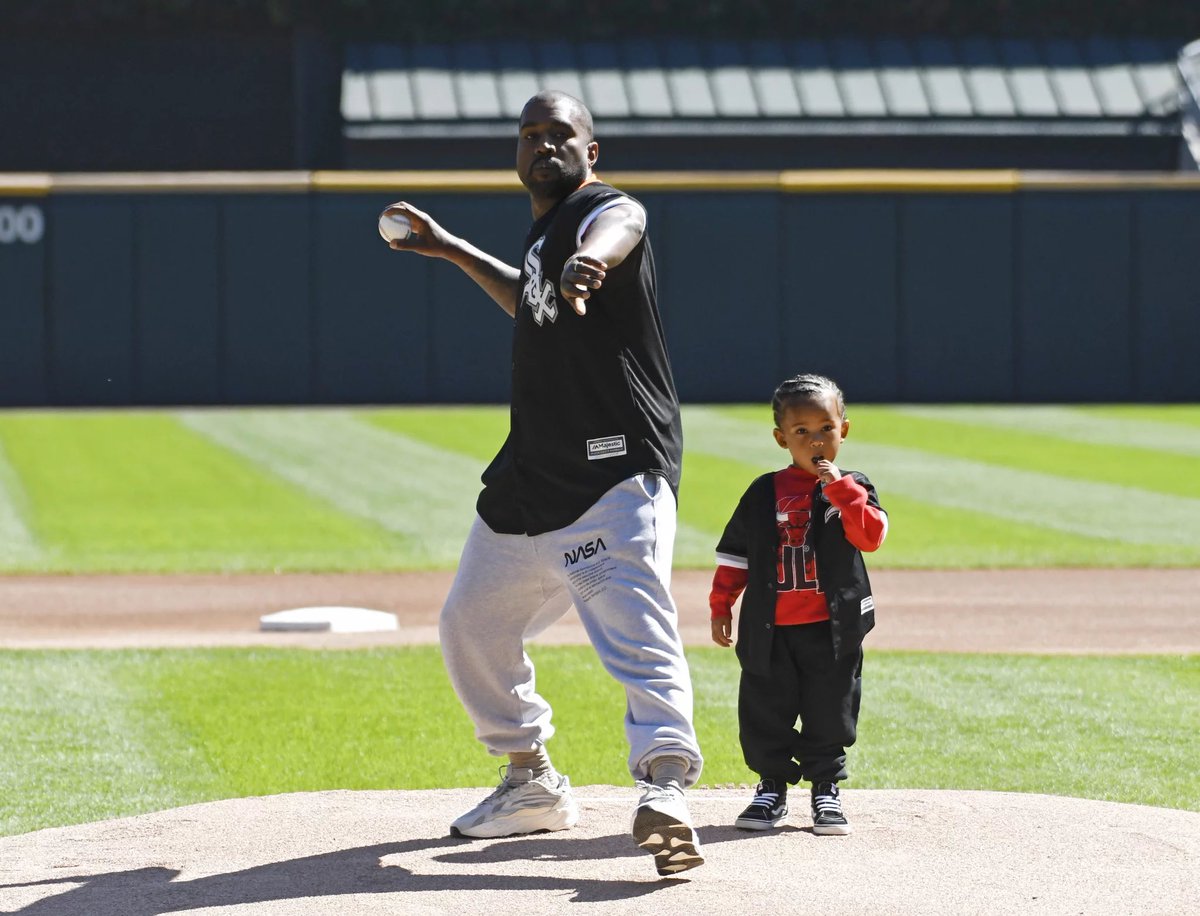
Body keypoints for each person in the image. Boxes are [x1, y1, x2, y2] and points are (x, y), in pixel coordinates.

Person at [381, 90, 704, 876]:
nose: (543, 144)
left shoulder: (606, 211)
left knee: (635, 632)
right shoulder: (542, 237)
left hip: (611, 474)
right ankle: (529, 780)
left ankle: (666, 788)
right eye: (530, 134)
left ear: (591, 153)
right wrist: (454, 248)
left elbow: (620, 229)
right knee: (470, 625)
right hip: (531, 478)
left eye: (560, 134)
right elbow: (530, 305)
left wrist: (595, 258)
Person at [709, 373, 887, 834]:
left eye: (826, 429)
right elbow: (735, 556)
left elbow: (870, 537)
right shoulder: (762, 491)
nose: (816, 442)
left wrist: (841, 489)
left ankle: (826, 788)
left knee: (832, 708)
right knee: (765, 709)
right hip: (770, 629)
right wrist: (720, 604)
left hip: (832, 629)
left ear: (843, 429)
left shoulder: (855, 486)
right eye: (802, 432)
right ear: (781, 438)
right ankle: (772, 788)